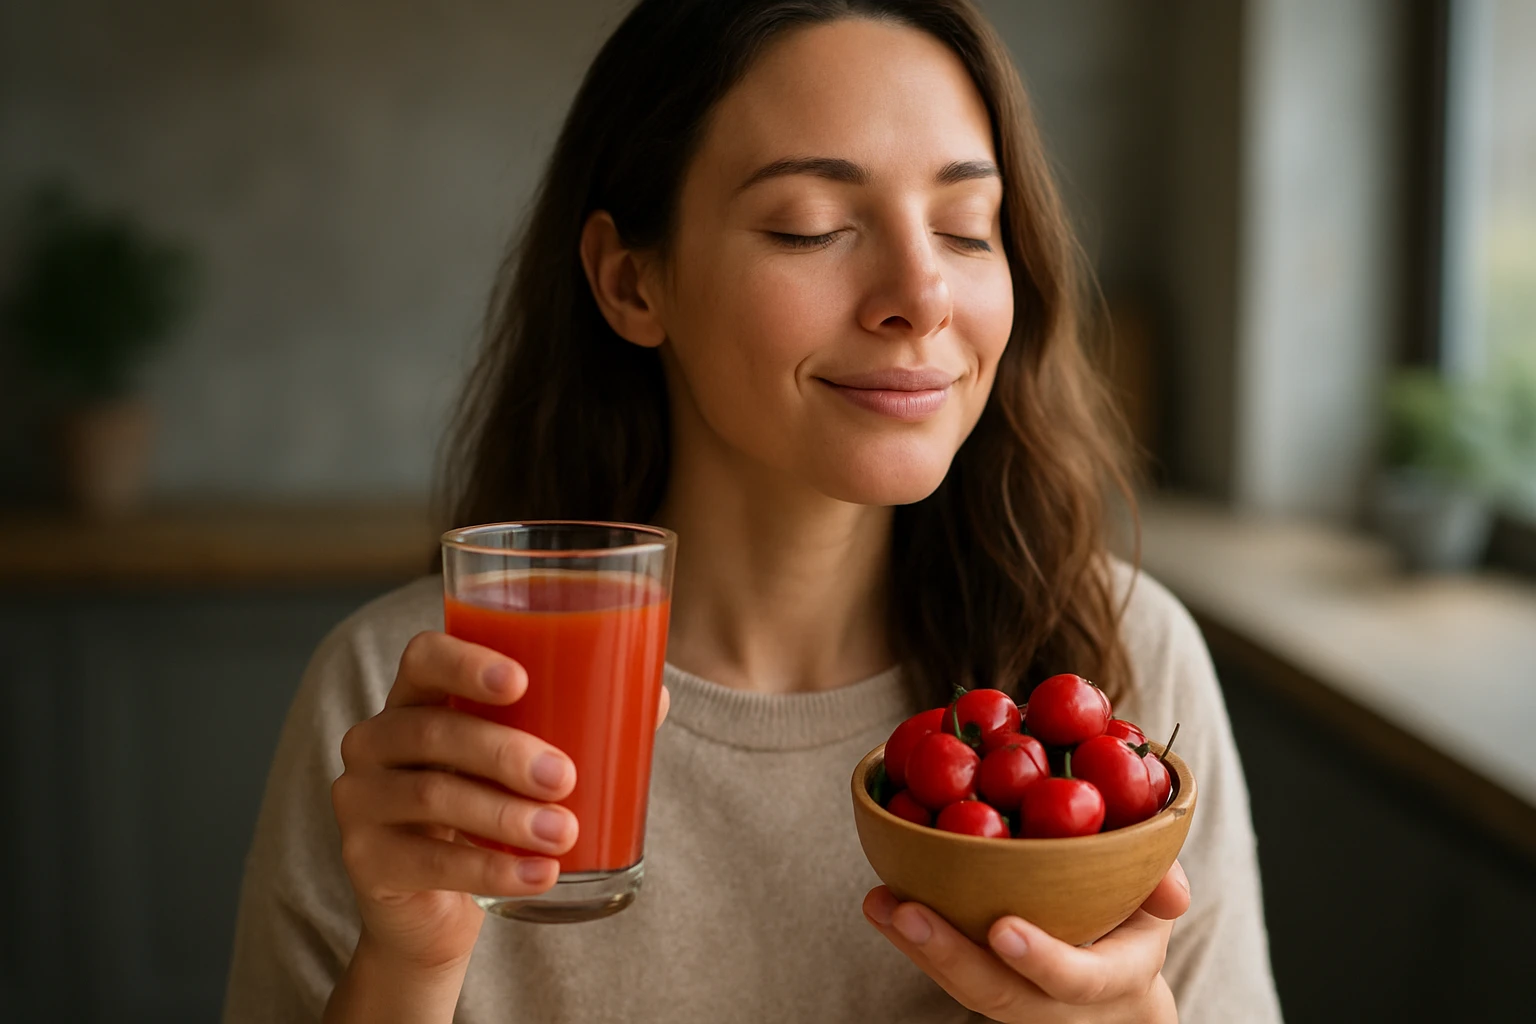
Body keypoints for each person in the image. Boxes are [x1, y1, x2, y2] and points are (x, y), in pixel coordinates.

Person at [224, 1, 1283, 1021]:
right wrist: (408, 967)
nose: (921, 294)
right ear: (633, 283)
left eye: (969, 228)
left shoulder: (1121, 672)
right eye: (810, 227)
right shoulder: (404, 701)